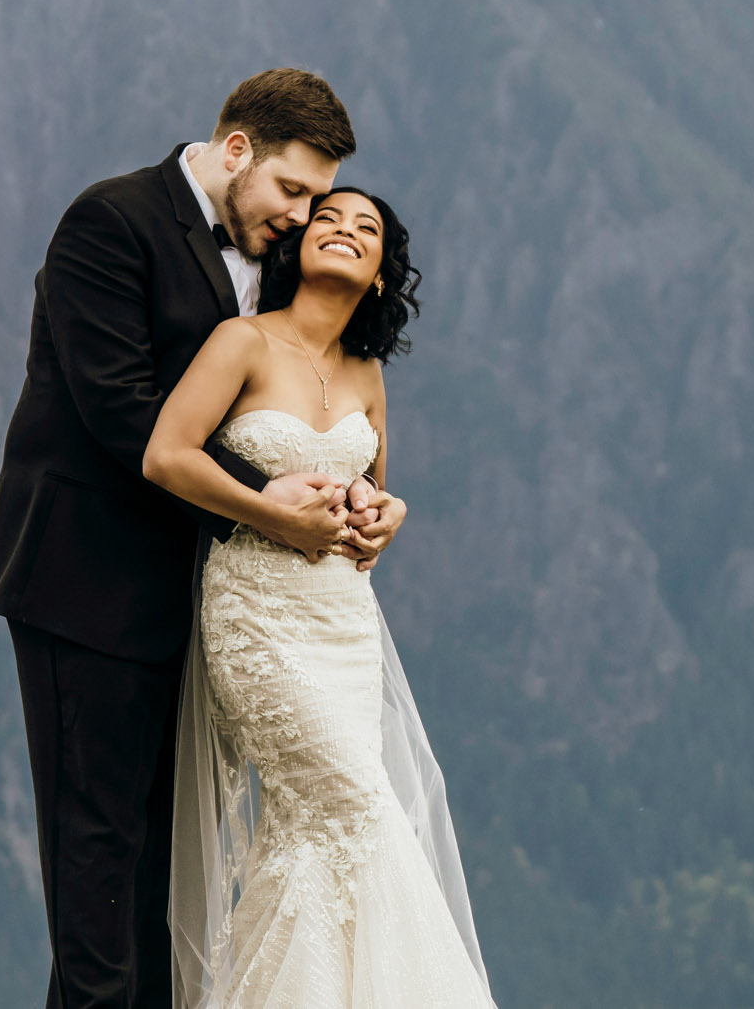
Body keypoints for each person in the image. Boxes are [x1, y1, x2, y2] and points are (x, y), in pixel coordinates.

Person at [0, 68, 396, 1008]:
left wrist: (366, 496)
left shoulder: (273, 256)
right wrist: (274, 503)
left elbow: (295, 397)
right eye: (293, 190)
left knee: (157, 875)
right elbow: (122, 411)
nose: (302, 215)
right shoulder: (110, 222)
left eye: (320, 200)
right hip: (84, 581)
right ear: (236, 149)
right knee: (96, 855)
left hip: (210, 605)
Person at [144, 187, 495, 1008]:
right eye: (328, 217)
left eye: (365, 229)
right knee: (362, 807)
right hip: (258, 615)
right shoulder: (242, 342)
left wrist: (388, 514)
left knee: (312, 835)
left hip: (343, 625)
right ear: (296, 246)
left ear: (378, 276)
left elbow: (369, 498)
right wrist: (271, 510)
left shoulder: (368, 375)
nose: (341, 229)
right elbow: (167, 454)